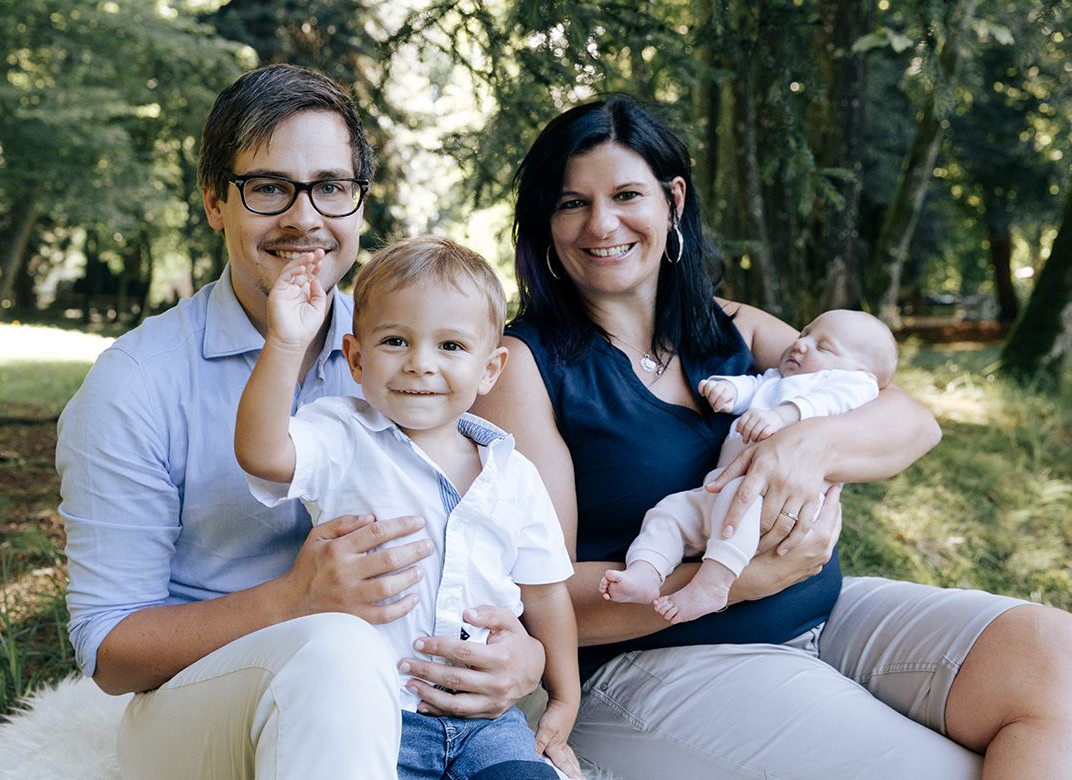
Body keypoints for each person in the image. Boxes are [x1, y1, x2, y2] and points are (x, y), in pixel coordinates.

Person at [473, 94, 1072, 778]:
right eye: (571, 202)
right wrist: (739, 580)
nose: (601, 222)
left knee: (1056, 664)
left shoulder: (732, 327)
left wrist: (804, 446)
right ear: (546, 223)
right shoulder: (523, 366)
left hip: (825, 607)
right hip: (653, 662)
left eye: (626, 194)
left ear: (673, 200)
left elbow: (909, 419)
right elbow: (537, 596)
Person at [56, 64, 547, 779]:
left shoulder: (413, 355)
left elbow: (503, 549)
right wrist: (295, 600)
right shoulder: (135, 385)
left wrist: (525, 658)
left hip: (406, 704)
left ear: (358, 204)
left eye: (331, 187)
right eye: (268, 188)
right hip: (198, 709)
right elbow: (109, 650)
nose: (305, 218)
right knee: (339, 653)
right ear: (215, 201)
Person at [234, 236, 582, 779]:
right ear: (355, 357)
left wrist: (565, 696)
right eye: (395, 341)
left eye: (451, 347)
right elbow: (261, 452)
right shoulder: (344, 436)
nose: (421, 364)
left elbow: (547, 594)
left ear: (491, 369)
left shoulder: (513, 475)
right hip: (373, 712)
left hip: (486, 720)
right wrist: (285, 342)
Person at [600, 309, 896, 623]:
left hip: (770, 502)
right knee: (668, 513)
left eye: (823, 347)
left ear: (861, 372)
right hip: (716, 491)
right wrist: (726, 390)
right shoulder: (776, 381)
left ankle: (713, 584)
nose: (802, 344)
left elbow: (827, 403)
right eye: (804, 333)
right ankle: (646, 572)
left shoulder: (851, 386)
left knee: (737, 501)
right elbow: (750, 387)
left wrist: (782, 416)